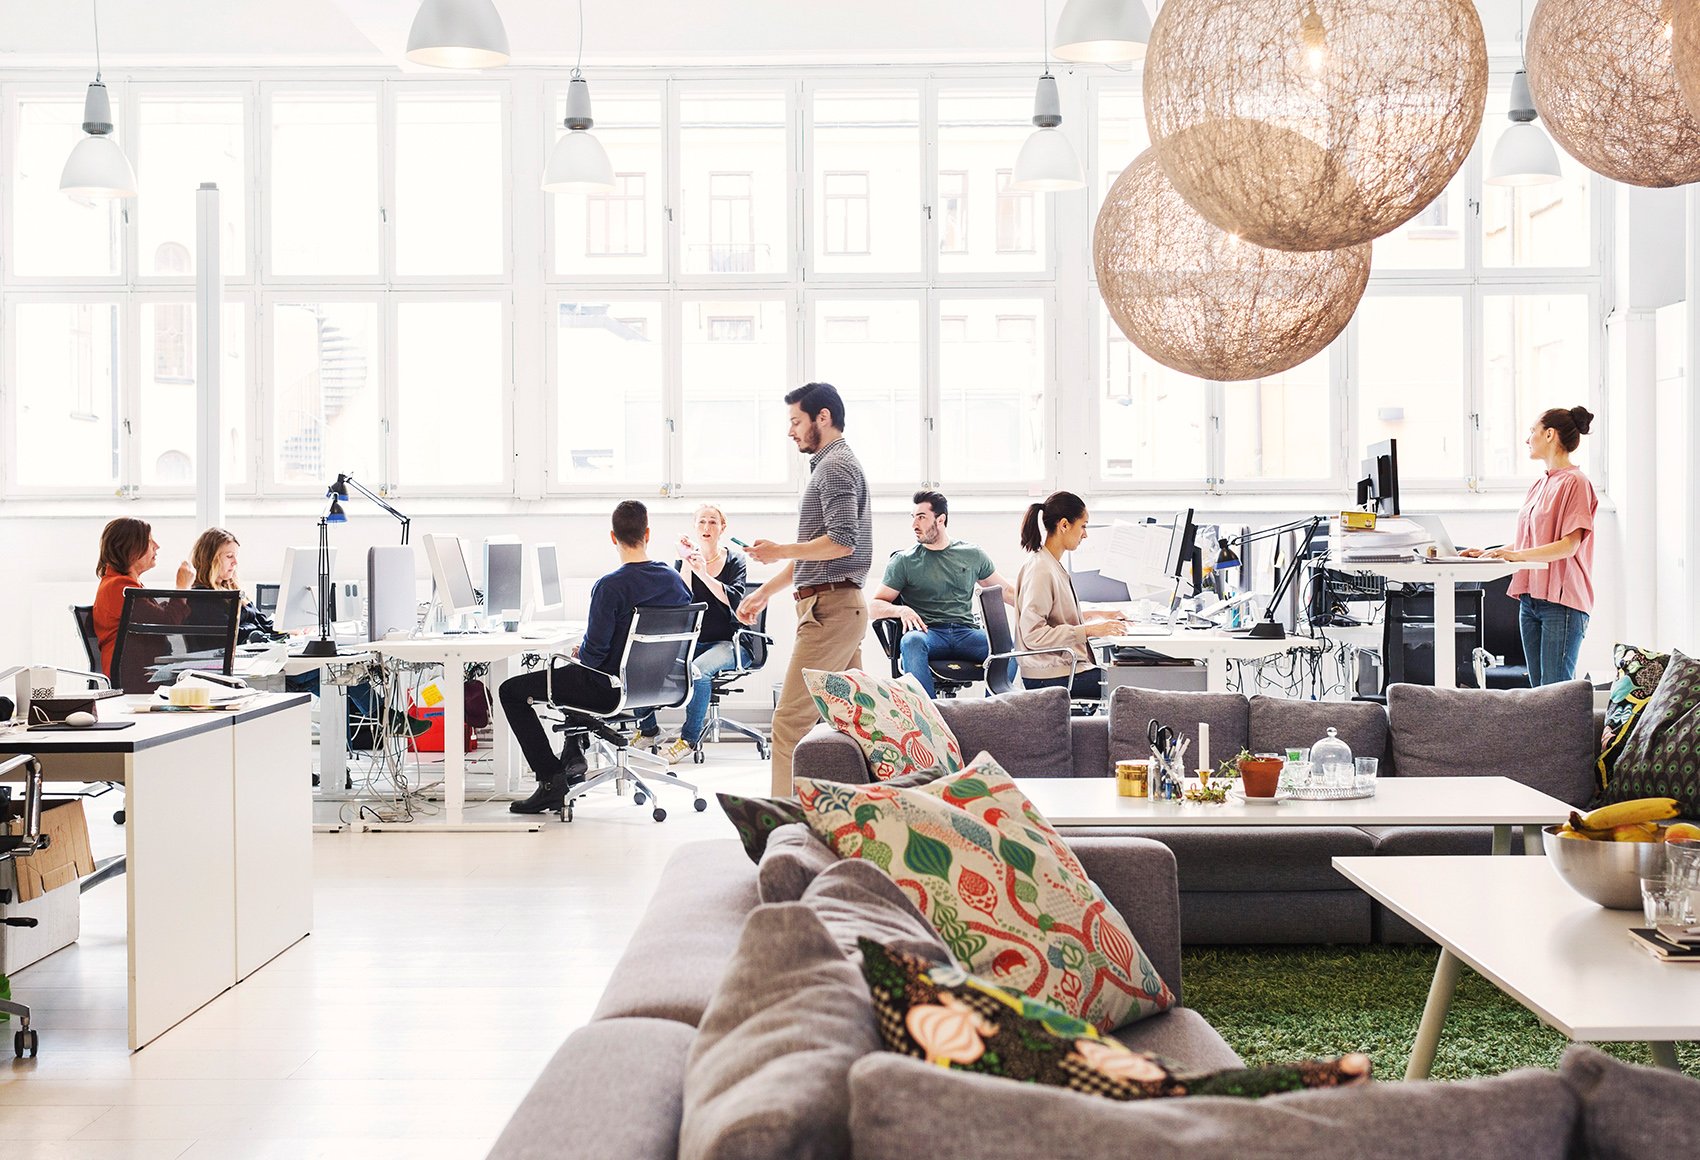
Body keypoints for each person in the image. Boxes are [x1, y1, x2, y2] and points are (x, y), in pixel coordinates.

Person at [499, 500, 692, 815]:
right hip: (656, 685)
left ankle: (551, 781)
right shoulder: (673, 579)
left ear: (613, 538)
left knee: (512, 690)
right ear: (647, 533)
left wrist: (580, 653)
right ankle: (573, 755)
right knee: (568, 681)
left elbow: (593, 657)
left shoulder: (610, 586)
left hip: (608, 688)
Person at [736, 382, 871, 795]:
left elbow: (842, 540)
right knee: (858, 720)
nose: (790, 431)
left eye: (796, 421)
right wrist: (766, 592)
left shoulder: (835, 467)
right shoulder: (831, 465)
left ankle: (783, 824)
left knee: (790, 721)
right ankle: (861, 808)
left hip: (830, 612)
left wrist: (779, 550)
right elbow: (820, 552)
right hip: (836, 606)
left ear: (822, 417)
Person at [1460, 405, 1598, 686]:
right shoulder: (1540, 484)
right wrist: (1491, 553)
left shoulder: (1576, 483)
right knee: (1538, 697)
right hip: (1531, 601)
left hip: (1562, 604)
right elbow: (1532, 540)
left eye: (1532, 431)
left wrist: (1515, 555)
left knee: (1555, 696)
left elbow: (1568, 546)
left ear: (1549, 434)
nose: (1527, 439)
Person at [867, 489, 1015, 698]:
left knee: (1008, 648)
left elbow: (1007, 592)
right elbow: (874, 606)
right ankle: (932, 718)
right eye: (913, 518)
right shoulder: (904, 561)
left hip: (966, 633)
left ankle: (991, 713)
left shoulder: (971, 554)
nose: (914, 525)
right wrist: (901, 610)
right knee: (911, 642)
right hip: (929, 633)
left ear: (940, 519)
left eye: (921, 517)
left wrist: (1040, 610)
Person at [653, 504, 749, 764]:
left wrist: (703, 574)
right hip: (695, 641)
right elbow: (681, 601)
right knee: (646, 659)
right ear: (694, 528)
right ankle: (647, 730)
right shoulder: (686, 562)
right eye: (701, 522)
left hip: (731, 642)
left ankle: (688, 740)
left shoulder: (735, 560)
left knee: (697, 671)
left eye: (713, 522)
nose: (707, 527)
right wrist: (686, 562)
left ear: (722, 528)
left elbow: (735, 601)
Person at [1013, 491, 1128, 699]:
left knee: (1129, 676)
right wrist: (1089, 630)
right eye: (1083, 526)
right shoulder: (1041, 569)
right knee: (1128, 685)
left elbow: (1058, 615)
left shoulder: (1049, 563)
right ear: (1064, 525)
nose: (1085, 534)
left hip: (1061, 668)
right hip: (1049, 674)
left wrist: (1099, 614)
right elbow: (1033, 634)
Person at [188, 528, 321, 697]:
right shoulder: (201, 598)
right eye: (229, 556)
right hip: (243, 671)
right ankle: (362, 717)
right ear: (210, 559)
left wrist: (288, 628)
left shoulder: (233, 590)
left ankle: (360, 718)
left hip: (260, 663)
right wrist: (274, 638)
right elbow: (235, 636)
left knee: (330, 678)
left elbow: (263, 623)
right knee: (323, 674)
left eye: (236, 556)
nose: (235, 562)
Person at [92, 517, 192, 678]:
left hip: (144, 671)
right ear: (130, 548)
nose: (157, 546)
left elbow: (156, 616)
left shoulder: (123, 585)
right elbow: (167, 623)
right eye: (149, 541)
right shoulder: (119, 588)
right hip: (137, 676)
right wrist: (182, 587)